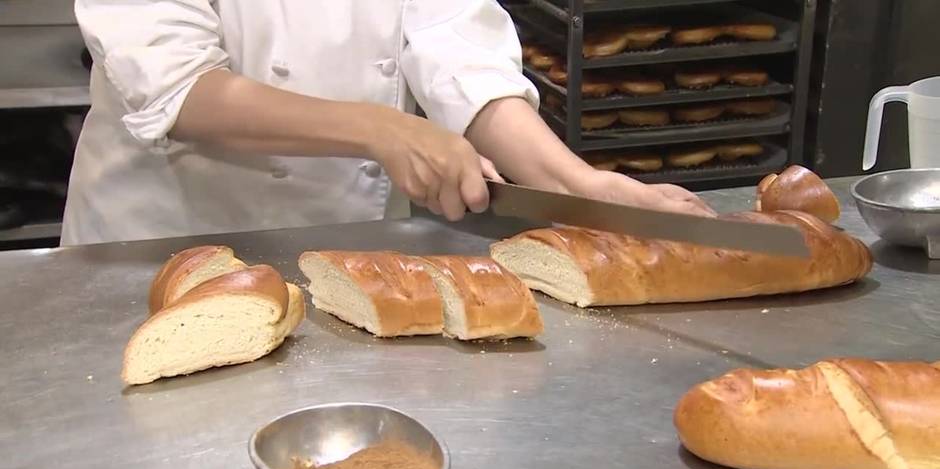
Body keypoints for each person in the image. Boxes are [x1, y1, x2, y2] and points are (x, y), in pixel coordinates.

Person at [62, 1, 714, 246]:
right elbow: (181, 89)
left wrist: (575, 184)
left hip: (344, 252)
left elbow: (456, 44)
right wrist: (382, 128)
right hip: (160, 252)